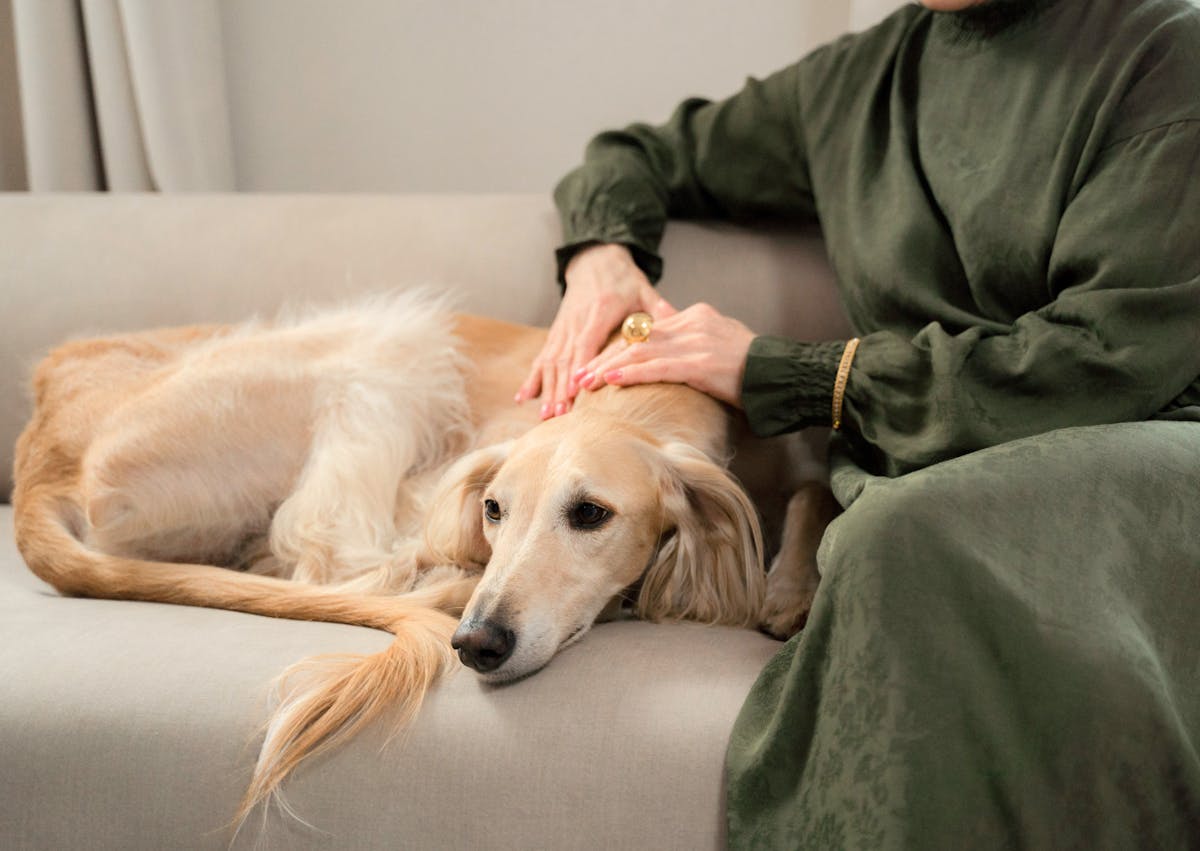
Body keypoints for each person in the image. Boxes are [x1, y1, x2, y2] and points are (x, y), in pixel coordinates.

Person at [519, 0, 1200, 846]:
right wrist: (599, 256)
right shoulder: (854, 83)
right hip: (920, 472)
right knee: (890, 526)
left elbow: (1109, 359)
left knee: (894, 535)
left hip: (1150, 447)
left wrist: (790, 372)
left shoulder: (1168, 48)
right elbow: (633, 155)